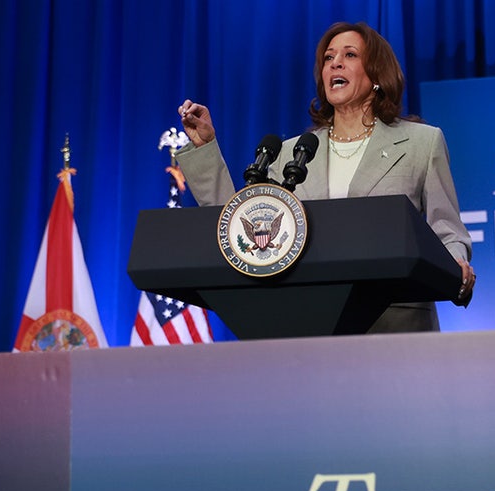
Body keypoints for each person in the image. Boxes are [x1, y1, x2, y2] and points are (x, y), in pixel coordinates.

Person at [175, 21, 475, 333]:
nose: (336, 64)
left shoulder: (421, 143)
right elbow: (241, 225)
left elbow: (448, 230)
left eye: (350, 55)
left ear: (377, 73)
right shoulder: (292, 154)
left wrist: (455, 266)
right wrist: (205, 148)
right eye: (328, 59)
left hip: (396, 321)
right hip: (312, 323)